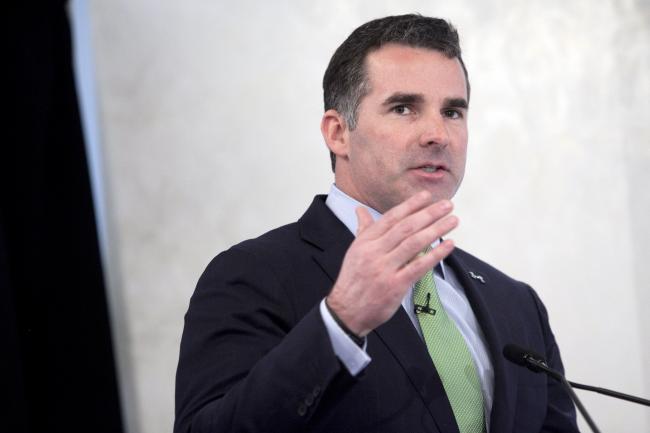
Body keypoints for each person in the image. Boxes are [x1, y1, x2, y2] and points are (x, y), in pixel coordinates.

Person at [174, 14, 578, 433]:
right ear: (338, 133)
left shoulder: (517, 305)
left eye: (452, 111)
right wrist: (340, 321)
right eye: (404, 108)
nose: (438, 134)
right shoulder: (252, 276)